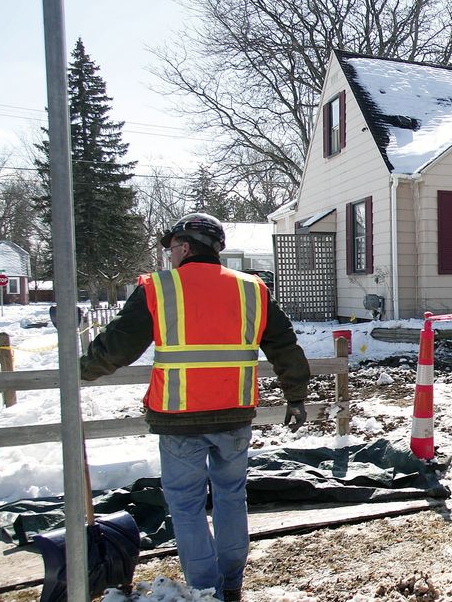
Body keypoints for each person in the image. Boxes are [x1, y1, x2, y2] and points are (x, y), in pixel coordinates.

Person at [80, 213, 310, 601]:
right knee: (231, 498)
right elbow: (284, 345)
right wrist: (296, 395)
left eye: (171, 247)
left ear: (185, 246)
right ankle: (231, 586)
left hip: (179, 419)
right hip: (235, 415)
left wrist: (81, 370)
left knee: (186, 508)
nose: (169, 254)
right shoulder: (252, 289)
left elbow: (117, 347)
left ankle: (206, 591)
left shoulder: (158, 288)